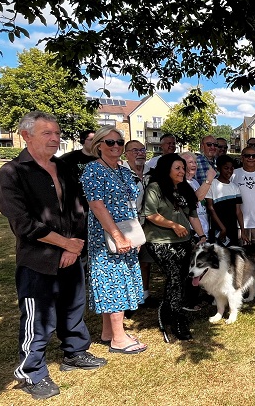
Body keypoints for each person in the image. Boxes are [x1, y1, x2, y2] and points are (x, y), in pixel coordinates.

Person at [0, 112, 105, 400]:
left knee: (73, 307)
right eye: (47, 133)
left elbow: (80, 208)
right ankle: (32, 372)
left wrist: (76, 244)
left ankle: (75, 353)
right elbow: (23, 223)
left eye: (57, 133)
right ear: (26, 135)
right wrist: (64, 245)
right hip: (38, 259)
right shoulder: (12, 173)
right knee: (38, 318)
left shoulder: (64, 168)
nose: (55, 138)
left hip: (73, 252)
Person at [80, 126, 147, 354]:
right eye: (110, 142)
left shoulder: (123, 171)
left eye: (119, 142)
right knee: (114, 282)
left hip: (127, 231)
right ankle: (119, 339)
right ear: (99, 145)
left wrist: (134, 235)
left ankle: (110, 332)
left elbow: (130, 204)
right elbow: (97, 206)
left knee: (121, 280)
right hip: (107, 234)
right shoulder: (93, 171)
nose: (116, 146)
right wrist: (118, 236)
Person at [142, 153, 208, 340]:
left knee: (179, 277)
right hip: (160, 241)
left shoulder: (185, 188)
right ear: (166, 169)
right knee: (174, 276)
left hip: (184, 242)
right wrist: (173, 225)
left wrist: (201, 236)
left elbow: (193, 216)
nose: (182, 172)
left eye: (183, 168)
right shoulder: (155, 188)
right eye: (177, 168)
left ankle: (168, 311)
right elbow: (150, 214)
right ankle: (178, 319)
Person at [123, 140, 155, 305]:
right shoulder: (120, 172)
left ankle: (144, 295)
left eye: (142, 150)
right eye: (134, 150)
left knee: (145, 261)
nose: (139, 153)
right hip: (127, 223)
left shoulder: (152, 172)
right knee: (128, 262)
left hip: (147, 222)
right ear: (126, 153)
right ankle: (128, 299)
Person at [206, 155, 245, 246]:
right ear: (219, 168)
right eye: (226, 168)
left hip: (232, 229)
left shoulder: (235, 187)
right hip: (218, 230)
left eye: (232, 168)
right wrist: (222, 228)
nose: (229, 171)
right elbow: (211, 208)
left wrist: (243, 230)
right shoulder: (212, 185)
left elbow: (238, 211)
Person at [180, 152, 216, 241]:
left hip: (204, 231)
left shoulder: (194, 181)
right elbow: (195, 199)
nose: (194, 165)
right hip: (192, 233)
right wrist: (209, 179)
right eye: (190, 162)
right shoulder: (181, 183)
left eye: (195, 162)